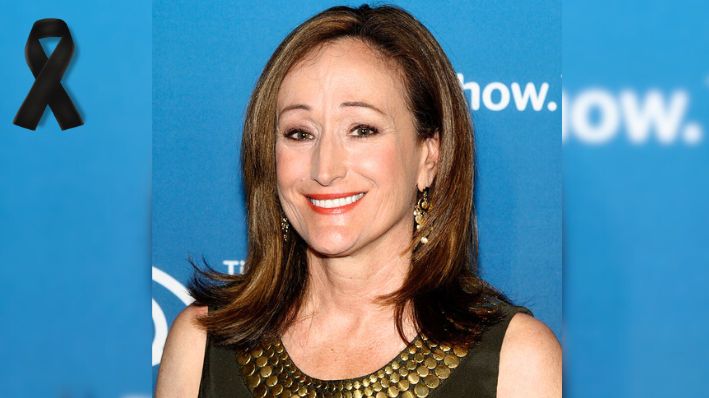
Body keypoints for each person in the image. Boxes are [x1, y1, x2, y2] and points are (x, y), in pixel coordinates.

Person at [155, 4, 561, 398]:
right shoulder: (201, 344)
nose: (325, 168)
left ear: (429, 157)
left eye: (362, 130)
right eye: (299, 133)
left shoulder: (517, 361)